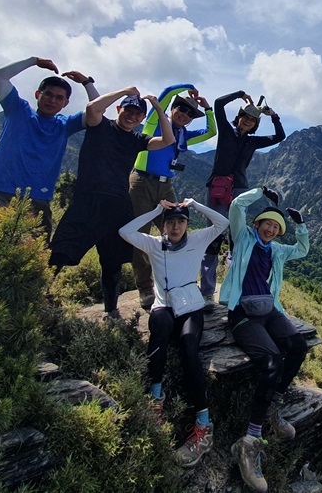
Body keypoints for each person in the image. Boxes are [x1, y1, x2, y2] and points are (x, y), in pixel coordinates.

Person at [119, 198, 228, 467]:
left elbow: (223, 223)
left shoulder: (198, 240)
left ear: (187, 224)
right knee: (159, 328)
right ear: (164, 226)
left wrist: (195, 204)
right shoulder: (154, 244)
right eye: (170, 222)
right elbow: (125, 232)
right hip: (165, 305)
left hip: (190, 306)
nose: (175, 226)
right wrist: (157, 209)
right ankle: (156, 398)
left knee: (190, 349)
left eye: (180, 221)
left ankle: (203, 425)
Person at [47, 88, 174, 319]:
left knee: (112, 262)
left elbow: (168, 139)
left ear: (142, 119)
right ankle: (39, 296)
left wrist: (157, 106)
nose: (132, 116)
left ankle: (111, 310)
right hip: (88, 200)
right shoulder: (100, 126)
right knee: (59, 251)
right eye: (129, 110)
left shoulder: (137, 139)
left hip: (118, 206)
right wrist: (125, 90)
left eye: (138, 114)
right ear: (119, 109)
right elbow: (92, 108)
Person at [220, 187, 308, 493]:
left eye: (276, 227)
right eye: (266, 224)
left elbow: (303, 249)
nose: (271, 229)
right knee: (271, 361)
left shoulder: (277, 250)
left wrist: (300, 225)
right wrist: (261, 193)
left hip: (268, 309)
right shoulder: (243, 237)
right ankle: (249, 441)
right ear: (256, 224)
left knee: (298, 347)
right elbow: (235, 205)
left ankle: (273, 403)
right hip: (242, 311)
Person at [0, 56, 99, 240]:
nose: (52, 100)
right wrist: (33, 61)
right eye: (48, 94)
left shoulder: (65, 125)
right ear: (38, 95)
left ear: (65, 103)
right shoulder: (18, 110)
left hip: (37, 198)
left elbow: (97, 110)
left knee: (34, 257)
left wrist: (86, 82)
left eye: (59, 98)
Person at [129, 85, 216, 309]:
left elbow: (210, 133)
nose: (185, 115)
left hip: (165, 186)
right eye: (181, 109)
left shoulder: (183, 136)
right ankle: (145, 288)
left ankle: (182, 283)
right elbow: (165, 94)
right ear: (172, 108)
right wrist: (188, 87)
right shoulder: (155, 122)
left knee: (177, 231)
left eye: (189, 114)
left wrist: (208, 110)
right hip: (141, 182)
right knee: (142, 237)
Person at [201, 92, 285, 305]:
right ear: (238, 118)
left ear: (255, 125)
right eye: (245, 117)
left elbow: (279, 136)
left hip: (238, 191)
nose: (247, 121)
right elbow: (218, 104)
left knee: (237, 241)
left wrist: (272, 114)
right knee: (213, 237)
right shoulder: (226, 132)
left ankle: (234, 290)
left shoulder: (252, 142)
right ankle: (208, 291)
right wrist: (239, 94)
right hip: (218, 188)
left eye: (252, 120)